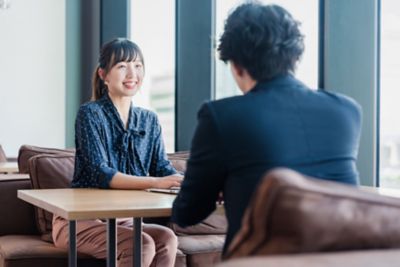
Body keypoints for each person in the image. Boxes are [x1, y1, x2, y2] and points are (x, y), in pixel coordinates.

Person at [171, 2, 362, 254]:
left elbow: (187, 213)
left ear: (236, 65)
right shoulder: (347, 111)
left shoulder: (222, 116)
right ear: (294, 57)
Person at [52, 38, 182, 267]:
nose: (132, 73)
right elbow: (101, 172)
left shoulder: (149, 120)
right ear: (104, 75)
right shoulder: (90, 113)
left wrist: (186, 182)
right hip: (79, 221)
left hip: (123, 221)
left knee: (167, 239)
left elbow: (162, 167)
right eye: (122, 65)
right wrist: (157, 182)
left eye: (138, 65)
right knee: (142, 244)